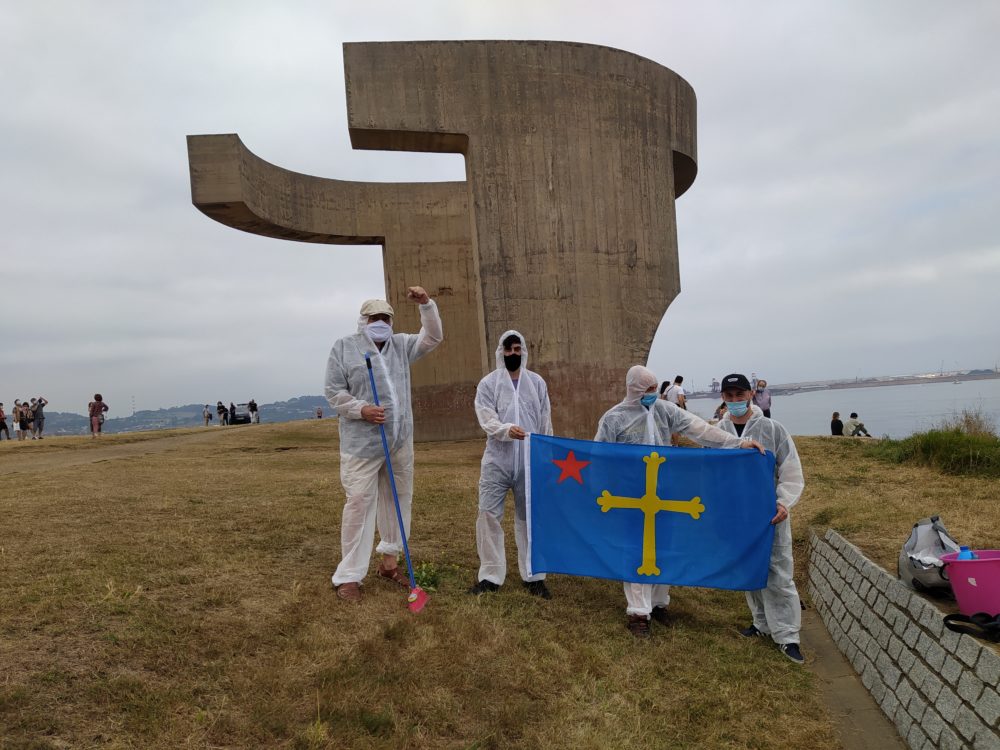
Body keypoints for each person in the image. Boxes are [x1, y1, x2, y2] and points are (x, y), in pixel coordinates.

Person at [594, 366, 764, 638]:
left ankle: (659, 603)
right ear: (633, 389)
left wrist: (737, 443)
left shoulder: (664, 410)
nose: (652, 393)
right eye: (647, 390)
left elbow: (698, 428)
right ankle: (638, 612)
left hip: (663, 493)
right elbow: (599, 456)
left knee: (663, 549)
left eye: (654, 388)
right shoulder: (613, 418)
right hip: (631, 497)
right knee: (637, 552)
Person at [325, 286, 443, 602]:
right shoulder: (344, 348)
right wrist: (361, 409)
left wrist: (426, 305)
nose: (380, 323)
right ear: (363, 321)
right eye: (374, 318)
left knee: (398, 500)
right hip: (362, 446)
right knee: (359, 504)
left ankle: (389, 563)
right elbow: (334, 392)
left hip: (399, 442)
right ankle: (349, 576)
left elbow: (432, 337)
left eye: (385, 318)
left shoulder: (401, 345)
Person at [715, 373, 805, 665]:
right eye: (729, 396)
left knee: (778, 572)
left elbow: (790, 469)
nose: (735, 400)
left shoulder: (772, 429)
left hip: (770, 514)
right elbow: (710, 474)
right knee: (750, 570)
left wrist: (783, 502)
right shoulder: (718, 432)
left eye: (739, 395)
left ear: (751, 394)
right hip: (737, 515)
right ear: (723, 398)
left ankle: (788, 636)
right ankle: (761, 623)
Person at [469, 331, 553, 598]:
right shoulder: (488, 384)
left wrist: (545, 456)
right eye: (508, 350)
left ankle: (533, 576)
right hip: (498, 461)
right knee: (488, 515)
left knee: (529, 518)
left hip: (529, 461)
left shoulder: (536, 383)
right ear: (500, 352)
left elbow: (545, 421)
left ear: (523, 351)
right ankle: (490, 576)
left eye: (517, 349)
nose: (512, 354)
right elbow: (486, 418)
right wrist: (505, 430)